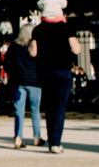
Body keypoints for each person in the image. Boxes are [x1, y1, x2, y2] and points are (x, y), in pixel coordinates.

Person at [31, 14, 80, 154]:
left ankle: (51, 139)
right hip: (63, 70)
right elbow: (76, 49)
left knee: (49, 106)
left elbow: (33, 52)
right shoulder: (66, 28)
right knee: (60, 106)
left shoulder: (38, 30)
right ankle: (56, 142)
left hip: (45, 71)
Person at [3, 24, 42, 148]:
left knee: (19, 111)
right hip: (35, 81)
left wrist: (14, 75)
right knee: (35, 110)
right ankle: (37, 137)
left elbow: (6, 64)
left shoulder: (14, 47)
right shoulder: (35, 46)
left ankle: (18, 138)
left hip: (19, 81)